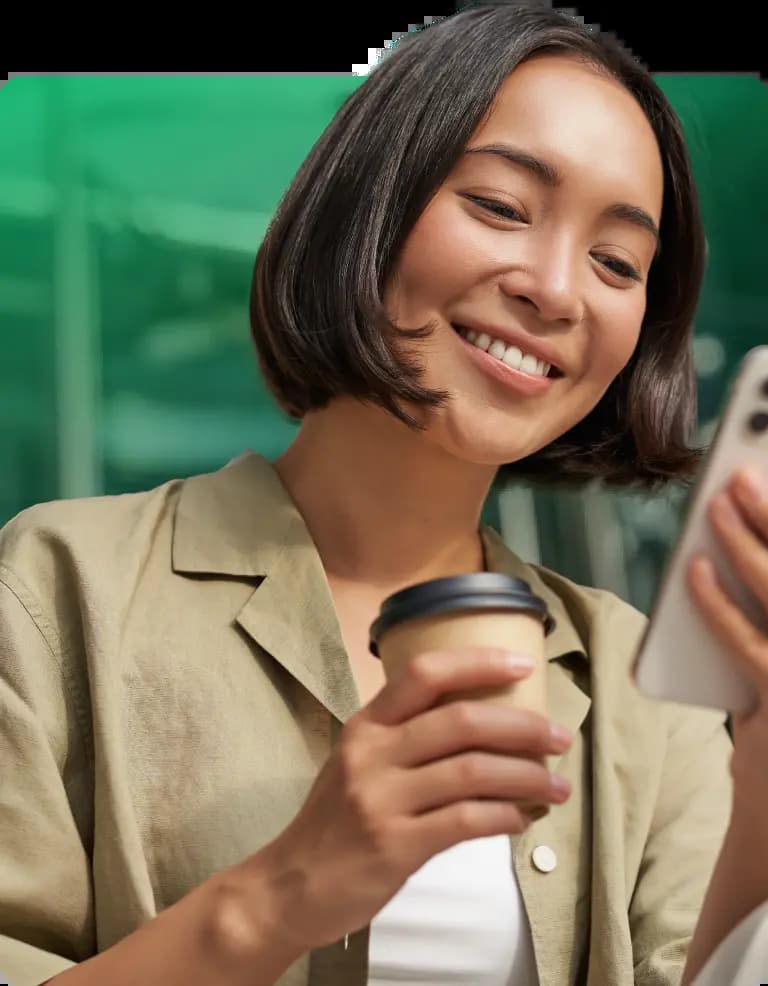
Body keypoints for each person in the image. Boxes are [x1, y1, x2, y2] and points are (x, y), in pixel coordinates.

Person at [0, 3, 756, 985]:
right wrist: (276, 898)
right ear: (370, 202)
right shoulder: (57, 593)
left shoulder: (643, 690)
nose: (558, 289)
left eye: (617, 263)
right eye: (499, 205)